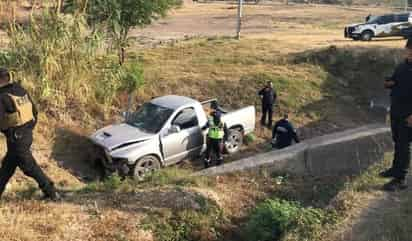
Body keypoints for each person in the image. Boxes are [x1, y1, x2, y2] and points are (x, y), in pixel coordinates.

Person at [0, 68, 59, 200]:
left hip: (17, 138)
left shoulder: (2, 97)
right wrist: (27, 129)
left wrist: (8, 132)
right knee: (7, 167)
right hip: (24, 134)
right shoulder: (19, 89)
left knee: (28, 167)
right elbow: (34, 112)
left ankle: (51, 192)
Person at [380, 39, 412, 191]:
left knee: (403, 145)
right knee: (397, 141)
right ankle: (395, 169)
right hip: (396, 110)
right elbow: (395, 81)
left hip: (409, 114)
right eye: (408, 49)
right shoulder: (402, 66)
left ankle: (400, 179)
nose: (409, 53)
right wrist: (390, 83)